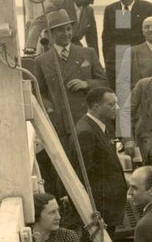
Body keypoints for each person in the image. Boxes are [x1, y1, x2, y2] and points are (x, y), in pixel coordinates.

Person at [70, 88, 129, 242]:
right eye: (111, 104)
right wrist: (94, 211)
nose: (117, 108)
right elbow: (83, 176)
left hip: (107, 207)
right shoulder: (86, 132)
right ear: (96, 107)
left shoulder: (97, 128)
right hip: (100, 209)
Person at [32, 9, 109, 143]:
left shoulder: (88, 53)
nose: (67, 33)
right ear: (50, 33)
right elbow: (38, 92)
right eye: (61, 30)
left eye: (68, 29)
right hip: (61, 124)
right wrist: (51, 109)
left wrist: (87, 84)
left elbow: (103, 82)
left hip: (88, 120)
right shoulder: (42, 61)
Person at [101, 0, 152, 89]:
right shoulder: (111, 9)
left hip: (141, 60)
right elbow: (106, 39)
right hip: (117, 61)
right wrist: (108, 61)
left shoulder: (147, 8)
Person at [24, 0, 101, 57]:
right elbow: (39, 23)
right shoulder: (57, 3)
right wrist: (30, 47)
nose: (92, 3)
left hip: (75, 53)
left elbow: (92, 40)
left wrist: (95, 61)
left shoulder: (89, 11)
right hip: (54, 53)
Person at [117, 17, 152, 97]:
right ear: (143, 31)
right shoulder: (132, 52)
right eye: (147, 27)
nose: (150, 29)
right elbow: (123, 82)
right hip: (141, 102)